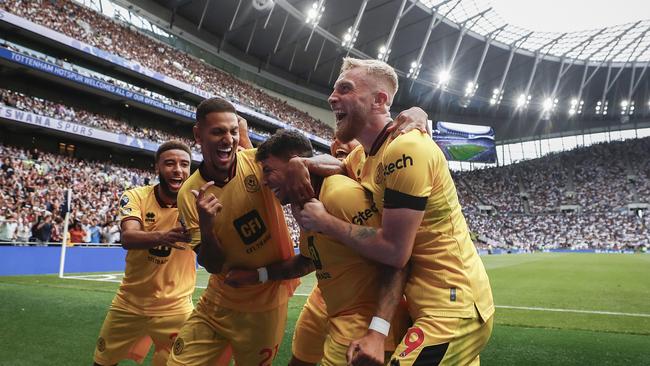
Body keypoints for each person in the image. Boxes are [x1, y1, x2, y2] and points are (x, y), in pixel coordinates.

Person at [293, 58, 495, 365]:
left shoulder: (406, 150)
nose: (331, 98)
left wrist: (326, 222)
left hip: (454, 307)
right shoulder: (364, 154)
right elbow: (341, 165)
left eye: (345, 89)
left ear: (380, 100)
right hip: (422, 305)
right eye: (333, 91)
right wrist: (301, 164)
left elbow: (394, 251)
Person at [225, 129, 410, 365]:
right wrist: (258, 275)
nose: (264, 180)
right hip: (336, 311)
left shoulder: (339, 194)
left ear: (294, 162)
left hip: (362, 322)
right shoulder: (307, 204)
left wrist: (377, 331)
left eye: (269, 170)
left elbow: (397, 259)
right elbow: (309, 260)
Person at [167, 97, 299, 366]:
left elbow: (313, 161)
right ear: (198, 135)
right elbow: (213, 265)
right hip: (219, 300)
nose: (228, 139)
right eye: (217, 132)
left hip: (266, 306)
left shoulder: (259, 162)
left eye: (232, 131)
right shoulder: (188, 195)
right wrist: (206, 223)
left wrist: (298, 166)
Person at [93, 141, 195, 366]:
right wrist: (165, 236)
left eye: (184, 164)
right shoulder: (135, 196)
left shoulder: (195, 203)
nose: (178, 169)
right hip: (129, 303)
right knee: (101, 362)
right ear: (157, 167)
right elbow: (128, 238)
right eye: (170, 163)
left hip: (176, 307)